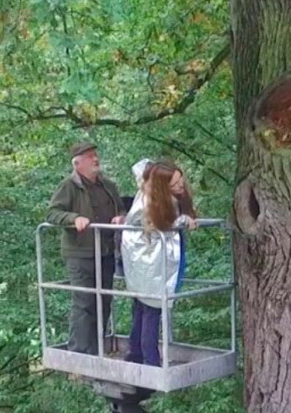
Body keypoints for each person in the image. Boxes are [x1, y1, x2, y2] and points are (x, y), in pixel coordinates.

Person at [46, 141, 124, 353]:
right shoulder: (68, 186)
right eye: (90, 156)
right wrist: (74, 218)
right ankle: (79, 354)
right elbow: (52, 213)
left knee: (104, 301)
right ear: (77, 163)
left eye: (95, 154)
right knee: (84, 303)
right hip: (80, 254)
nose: (95, 159)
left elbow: (123, 209)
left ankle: (96, 350)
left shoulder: (109, 186)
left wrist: (121, 217)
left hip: (106, 252)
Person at [121, 161, 196, 366]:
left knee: (145, 308)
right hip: (148, 262)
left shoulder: (165, 198)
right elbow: (158, 224)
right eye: (176, 183)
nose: (181, 186)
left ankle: (136, 353)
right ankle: (149, 360)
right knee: (150, 308)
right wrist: (181, 222)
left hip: (156, 260)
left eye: (181, 181)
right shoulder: (147, 201)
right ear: (164, 186)